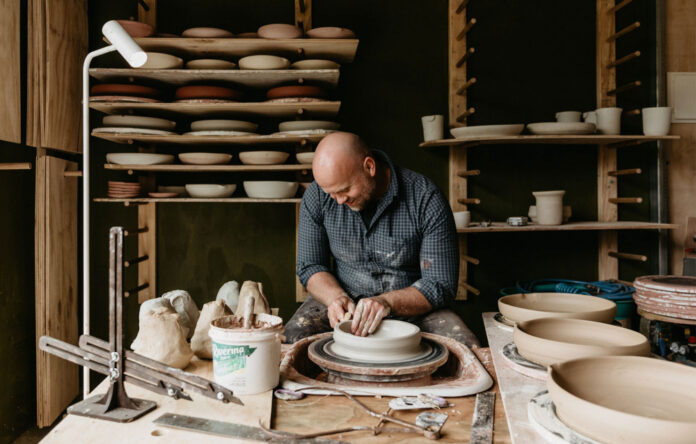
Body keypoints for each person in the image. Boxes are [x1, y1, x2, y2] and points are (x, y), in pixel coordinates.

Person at [285, 132, 479, 347]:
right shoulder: (317, 197)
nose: (339, 201)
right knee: (293, 340)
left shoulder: (425, 197)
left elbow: (440, 284)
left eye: (345, 190)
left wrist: (386, 302)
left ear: (369, 167)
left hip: (412, 306)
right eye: (331, 193)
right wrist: (335, 297)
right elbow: (310, 266)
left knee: (465, 347)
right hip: (346, 303)